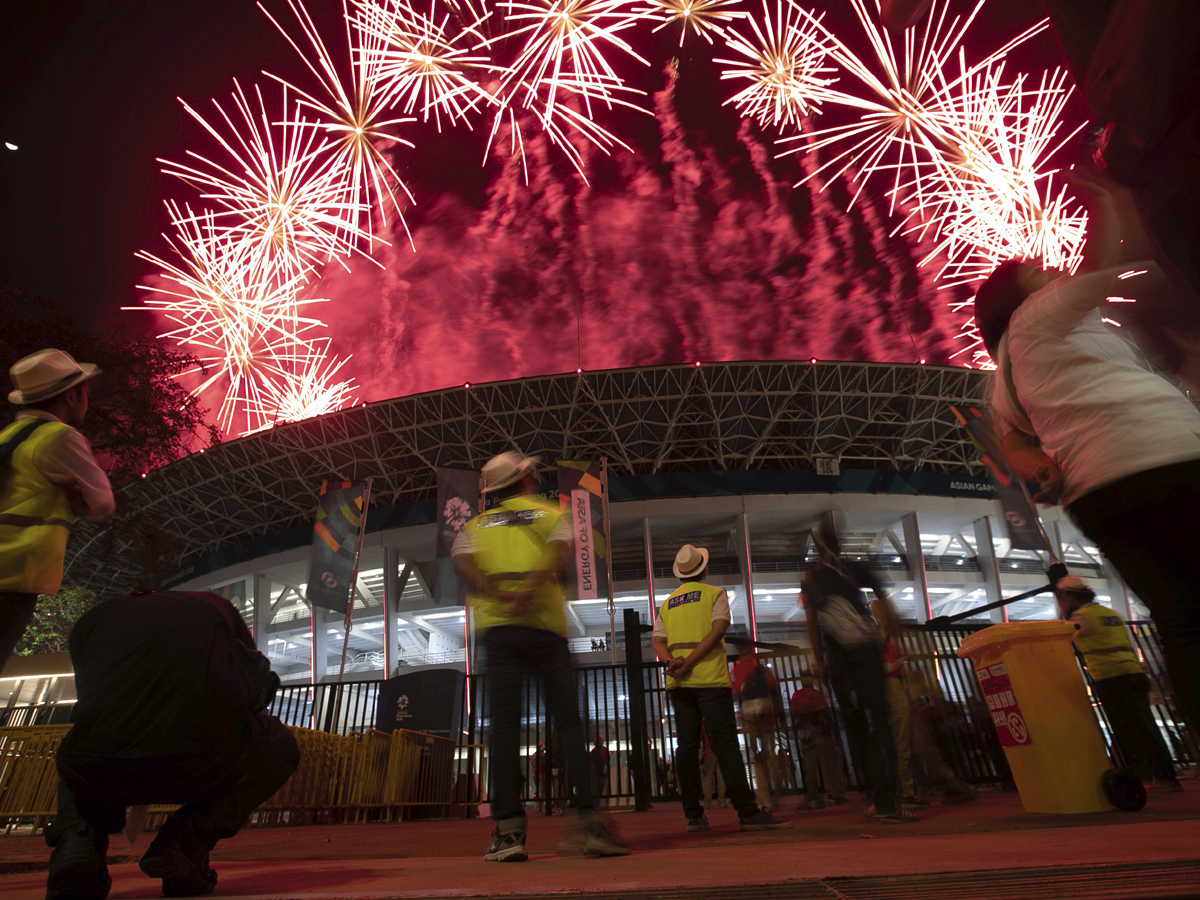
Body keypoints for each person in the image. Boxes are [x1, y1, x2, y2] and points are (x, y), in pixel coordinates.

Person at [977, 168, 1200, 734]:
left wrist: (1042, 467)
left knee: (1180, 621)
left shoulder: (1005, 369)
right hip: (1166, 461)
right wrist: (1113, 202)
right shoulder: (1039, 316)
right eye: (1035, 272)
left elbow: (1012, 442)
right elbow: (1101, 270)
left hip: (1099, 495)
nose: (1050, 270)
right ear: (1018, 297)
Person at [44, 590, 299, 900]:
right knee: (281, 747)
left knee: (82, 744)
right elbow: (256, 689)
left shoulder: (94, 620)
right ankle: (184, 844)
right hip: (200, 758)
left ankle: (78, 842)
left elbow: (94, 694)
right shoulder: (216, 611)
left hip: (99, 763)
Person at [452, 451, 627, 862]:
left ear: (494, 491)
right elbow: (557, 553)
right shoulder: (550, 514)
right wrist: (530, 589)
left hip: (498, 632)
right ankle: (587, 826)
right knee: (569, 725)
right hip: (546, 631)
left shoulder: (475, 525)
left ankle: (509, 833)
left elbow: (461, 564)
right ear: (527, 480)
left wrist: (498, 593)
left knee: (506, 730)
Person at [650, 543, 792, 834]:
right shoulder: (714, 594)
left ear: (680, 575)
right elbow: (718, 630)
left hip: (678, 682)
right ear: (704, 569)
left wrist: (672, 662)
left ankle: (693, 815)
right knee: (725, 744)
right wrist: (690, 662)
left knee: (687, 748)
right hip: (709, 679)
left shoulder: (667, 604)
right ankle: (747, 812)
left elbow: (657, 642)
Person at [0, 349, 114, 671]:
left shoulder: (7, 437)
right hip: (13, 577)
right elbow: (103, 502)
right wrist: (81, 504)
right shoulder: (59, 437)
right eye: (85, 393)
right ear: (71, 396)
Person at [800, 520, 916, 824]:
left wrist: (820, 662)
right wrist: (895, 639)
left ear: (817, 548)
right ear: (839, 543)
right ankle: (891, 799)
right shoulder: (855, 568)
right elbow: (885, 604)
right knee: (882, 723)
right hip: (869, 655)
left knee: (857, 730)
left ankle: (879, 798)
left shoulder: (811, 578)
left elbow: (812, 623)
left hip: (842, 662)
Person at [1055, 575, 1182, 792]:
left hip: (1112, 678)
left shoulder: (1081, 618)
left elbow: (1059, 635)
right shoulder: (1111, 614)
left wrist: (1062, 611)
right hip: (1134, 674)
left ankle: (1153, 777)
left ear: (1067, 596)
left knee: (1131, 731)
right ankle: (1163, 776)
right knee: (1146, 727)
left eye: (1061, 597)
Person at [730, 648, 784, 812]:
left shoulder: (737, 671)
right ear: (753, 654)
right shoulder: (764, 670)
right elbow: (775, 692)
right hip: (766, 715)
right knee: (770, 756)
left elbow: (735, 693)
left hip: (748, 717)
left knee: (755, 760)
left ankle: (764, 799)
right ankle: (776, 787)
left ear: (740, 655)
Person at [788, 671, 848, 811]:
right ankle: (833, 794)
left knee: (810, 767)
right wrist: (834, 732)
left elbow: (793, 714)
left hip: (805, 734)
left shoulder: (797, 695)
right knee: (828, 765)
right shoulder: (817, 694)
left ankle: (813, 796)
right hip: (821, 732)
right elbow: (825, 713)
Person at [699, 725, 726, 809]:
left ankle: (707, 802)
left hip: (709, 751)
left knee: (708, 777)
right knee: (721, 777)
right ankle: (721, 801)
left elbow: (700, 738)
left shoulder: (703, 723)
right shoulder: (719, 719)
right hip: (720, 750)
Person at [589, 734, 610, 801]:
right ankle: (603, 801)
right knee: (604, 786)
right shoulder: (605, 750)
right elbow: (607, 759)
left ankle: (596, 803)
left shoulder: (593, 751)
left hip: (595, 770)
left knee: (595, 787)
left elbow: (591, 760)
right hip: (604, 769)